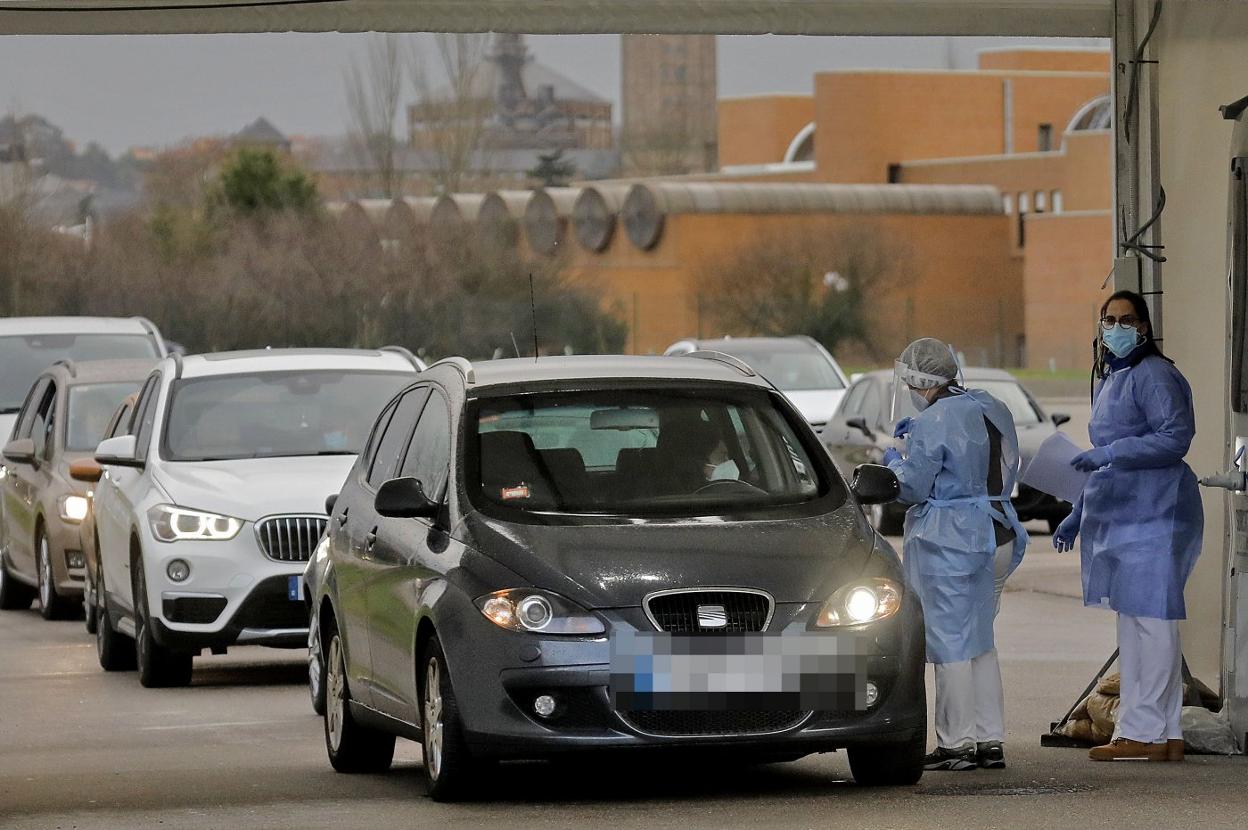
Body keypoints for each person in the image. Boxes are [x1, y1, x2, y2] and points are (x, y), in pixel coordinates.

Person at [1052, 289, 1202, 763]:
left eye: (1126, 319)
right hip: (1127, 513)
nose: (1115, 328)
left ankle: (1145, 732)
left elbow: (1174, 437)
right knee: (1139, 624)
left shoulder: (1155, 375)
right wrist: (1079, 511)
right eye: (1108, 319)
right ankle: (1160, 732)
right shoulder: (1114, 379)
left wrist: (1111, 452)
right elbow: (1107, 461)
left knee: (1151, 623)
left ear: (1144, 327)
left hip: (1156, 510)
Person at [883, 338, 1028, 771]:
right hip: (997, 534)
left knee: (950, 644)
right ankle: (989, 739)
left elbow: (913, 487)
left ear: (921, 381)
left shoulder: (934, 420)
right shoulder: (988, 404)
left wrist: (894, 463)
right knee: (981, 641)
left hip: (952, 540)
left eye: (911, 383)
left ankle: (956, 743)